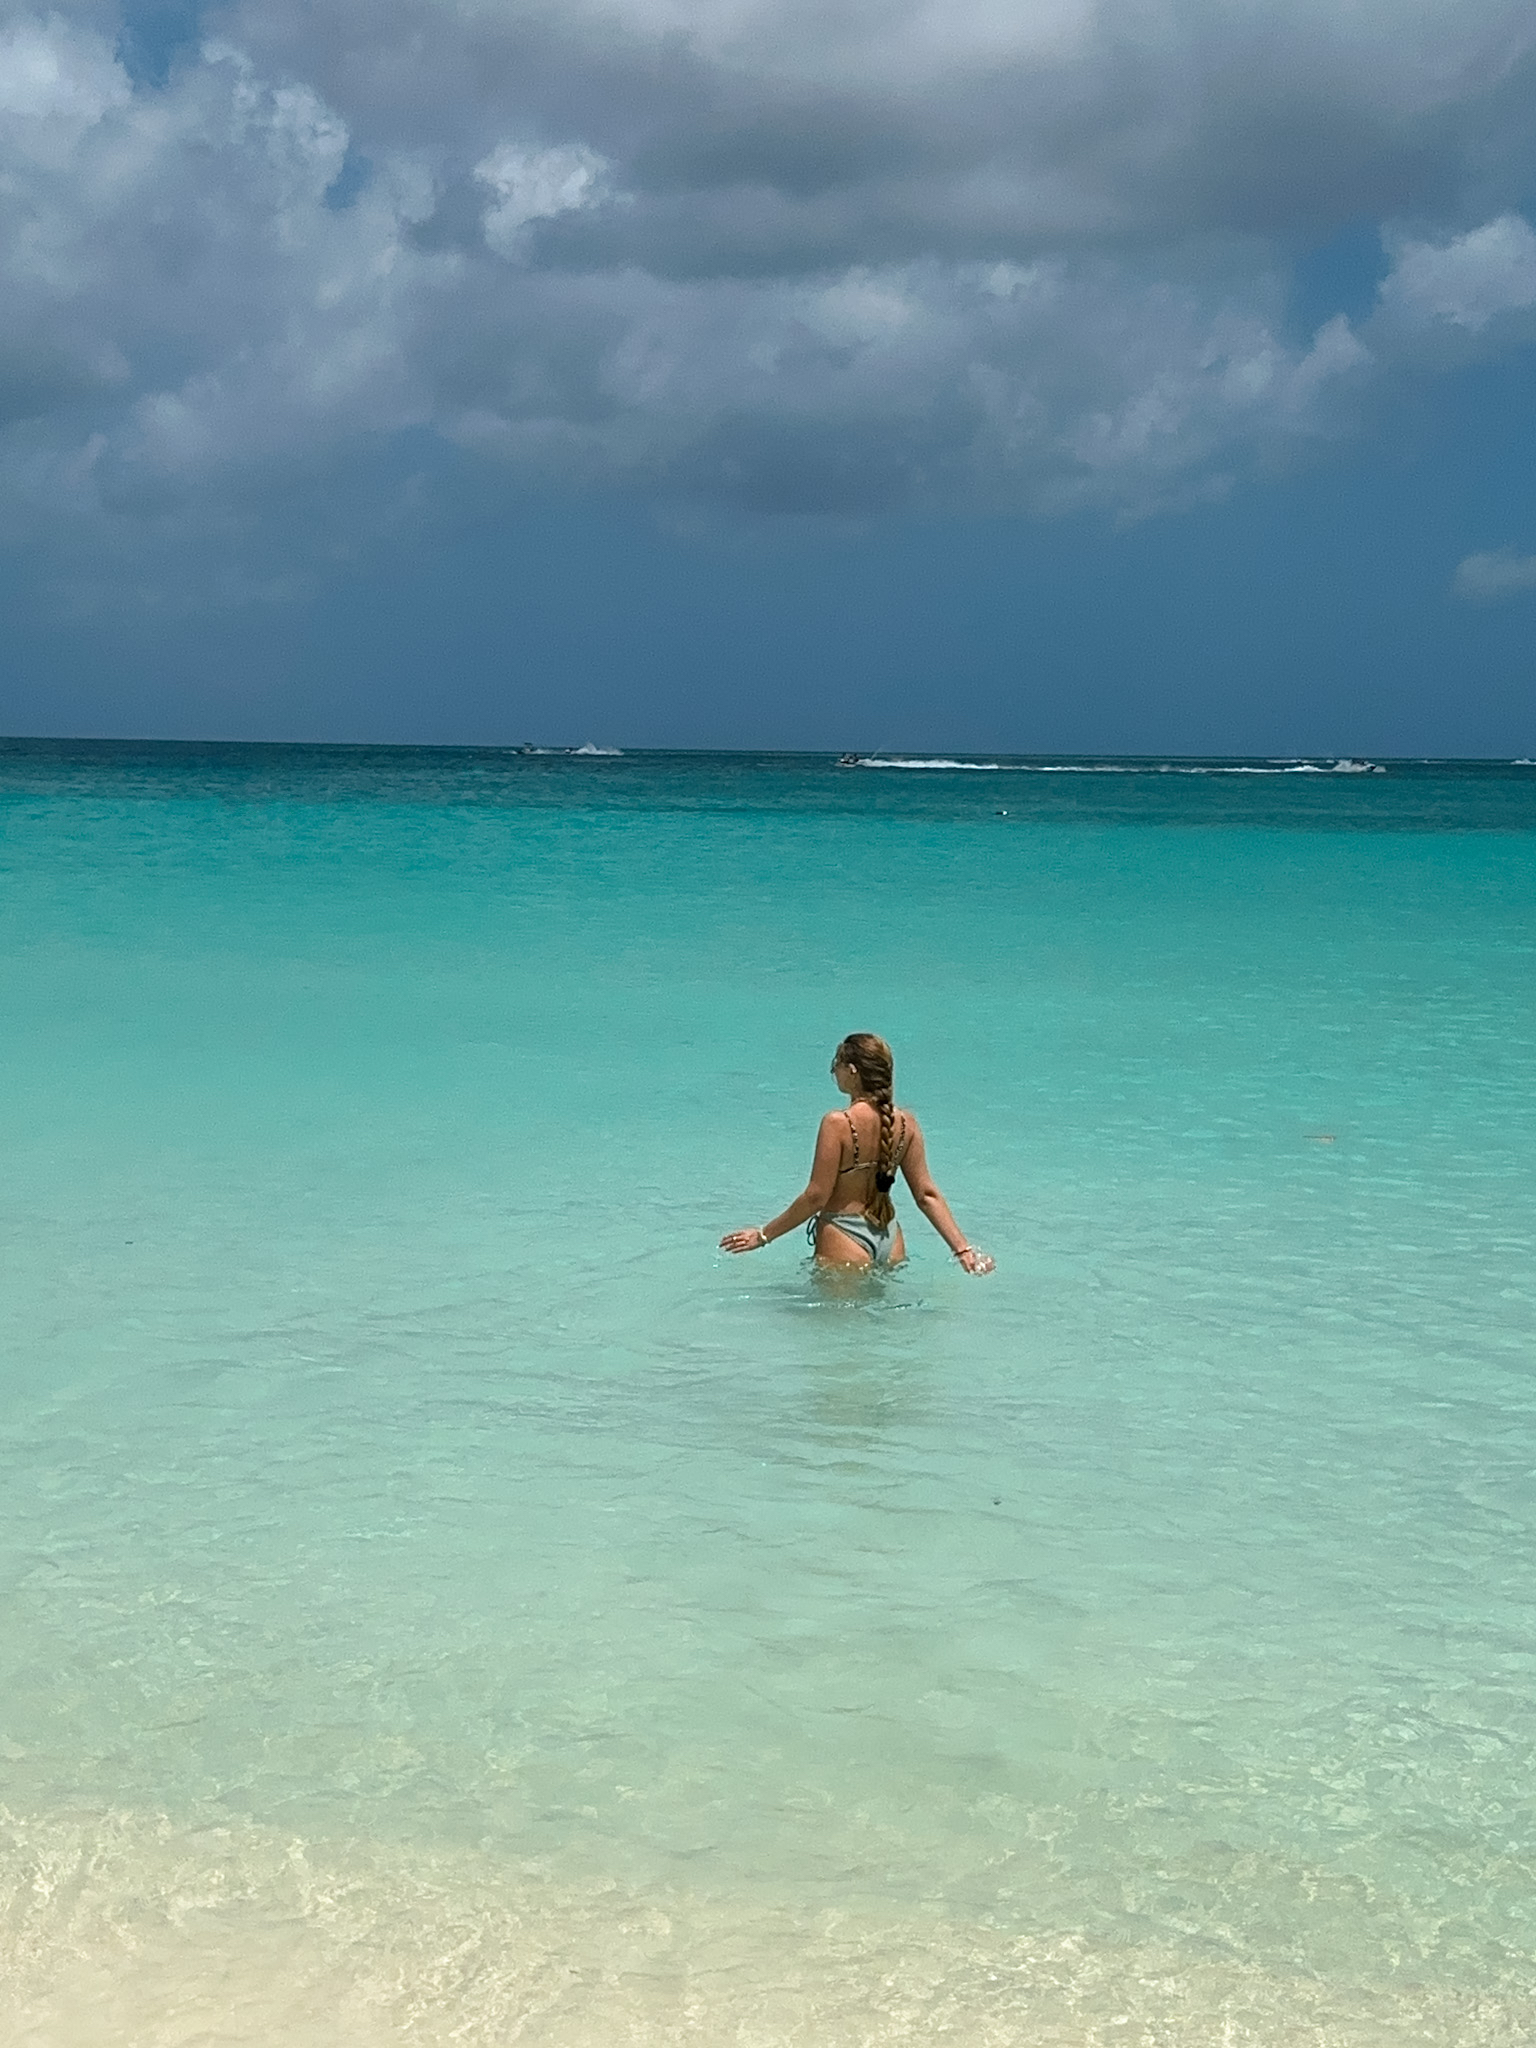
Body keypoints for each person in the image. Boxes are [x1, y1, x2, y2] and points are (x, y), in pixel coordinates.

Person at [720, 1033, 994, 1273]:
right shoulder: (907, 1124)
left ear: (852, 1070)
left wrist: (764, 1235)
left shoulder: (837, 1123)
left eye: (835, 1065)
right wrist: (963, 1250)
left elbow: (816, 1196)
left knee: (835, 1329)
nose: (833, 1073)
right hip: (890, 1236)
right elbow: (926, 1195)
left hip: (843, 1237)